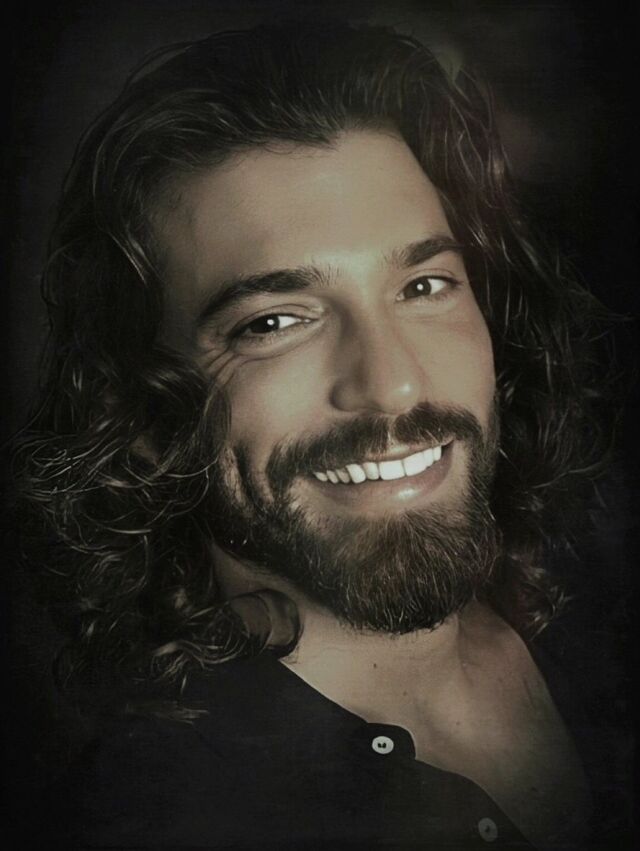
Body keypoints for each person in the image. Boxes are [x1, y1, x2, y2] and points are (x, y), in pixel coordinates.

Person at [11, 20, 625, 850]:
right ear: (143, 415)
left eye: (424, 285)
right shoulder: (152, 822)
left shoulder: (605, 599)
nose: (393, 383)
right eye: (274, 321)